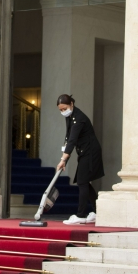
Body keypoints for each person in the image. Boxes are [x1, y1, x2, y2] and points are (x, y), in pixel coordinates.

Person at [56, 93, 104, 224]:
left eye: (64, 108)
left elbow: (72, 140)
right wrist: (64, 157)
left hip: (90, 152)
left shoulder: (79, 118)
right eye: (60, 110)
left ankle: (81, 215)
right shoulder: (70, 116)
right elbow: (68, 137)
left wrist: (63, 160)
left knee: (82, 182)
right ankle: (98, 212)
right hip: (83, 152)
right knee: (84, 182)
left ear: (71, 104)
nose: (63, 112)